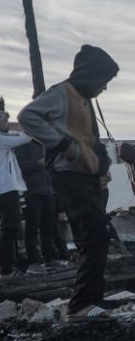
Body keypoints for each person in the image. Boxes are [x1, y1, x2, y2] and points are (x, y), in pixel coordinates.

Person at [18, 44, 118, 322]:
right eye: (104, 81)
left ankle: (92, 299)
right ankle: (80, 307)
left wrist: (100, 168)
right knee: (93, 233)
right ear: (91, 75)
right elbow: (27, 117)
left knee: (98, 235)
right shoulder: (62, 93)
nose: (105, 88)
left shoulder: (84, 100)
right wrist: (63, 145)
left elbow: (89, 141)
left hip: (85, 177)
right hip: (68, 175)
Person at [15, 141, 67, 274]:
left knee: (48, 228)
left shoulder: (47, 145)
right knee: (32, 229)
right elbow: (20, 167)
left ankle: (50, 259)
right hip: (32, 192)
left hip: (49, 191)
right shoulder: (22, 144)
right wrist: (37, 163)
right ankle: (34, 262)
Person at [0, 112, 32, 279]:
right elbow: (25, 138)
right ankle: (7, 270)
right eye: (4, 120)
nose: (7, 123)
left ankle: (10, 266)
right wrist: (31, 122)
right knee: (9, 228)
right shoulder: (2, 139)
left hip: (5, 189)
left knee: (8, 228)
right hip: (5, 190)